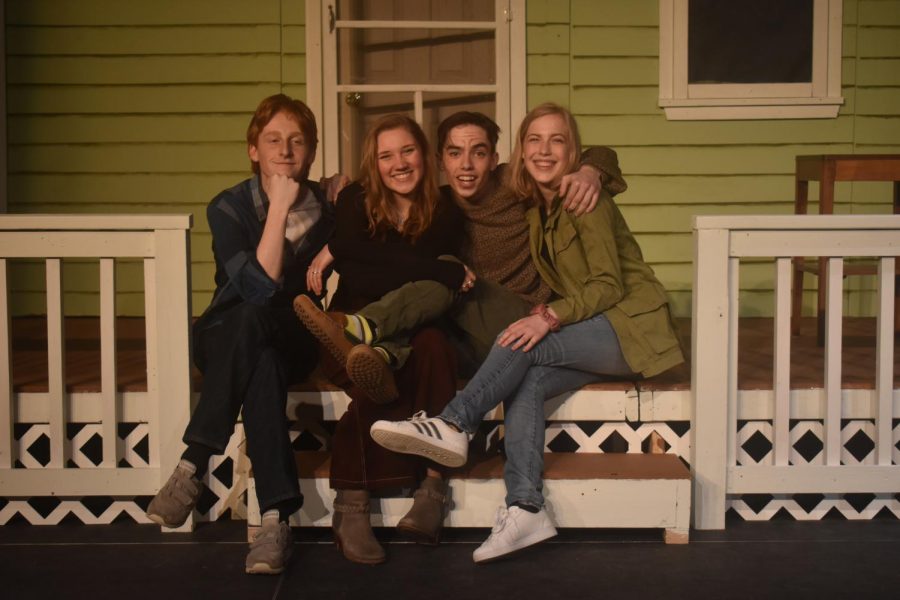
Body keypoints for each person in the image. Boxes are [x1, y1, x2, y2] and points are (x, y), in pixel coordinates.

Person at [369, 103, 685, 563]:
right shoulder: (538, 203)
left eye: (557, 140)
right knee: (528, 381)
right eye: (534, 140)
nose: (544, 150)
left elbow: (610, 285)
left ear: (573, 150)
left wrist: (548, 317)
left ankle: (455, 421)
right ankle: (526, 506)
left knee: (524, 339)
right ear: (518, 153)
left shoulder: (583, 197)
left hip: (630, 325)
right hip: (591, 326)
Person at [295, 111, 623, 401]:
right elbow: (400, 264)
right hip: (467, 327)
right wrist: (333, 201)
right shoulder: (441, 204)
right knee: (430, 335)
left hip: (524, 319)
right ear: (440, 161)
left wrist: (590, 170)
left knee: (446, 271)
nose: (466, 165)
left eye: (478, 153)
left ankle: (363, 330)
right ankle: (385, 356)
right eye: (455, 153)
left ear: (494, 159)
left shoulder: (517, 186)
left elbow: (588, 154)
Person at [145, 94, 335, 575]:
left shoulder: (327, 207)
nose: (286, 151)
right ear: (254, 150)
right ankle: (275, 522)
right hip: (223, 333)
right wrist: (278, 209)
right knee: (254, 331)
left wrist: (336, 215)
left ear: (312, 150)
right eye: (273, 140)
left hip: (293, 337)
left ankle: (192, 464)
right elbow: (257, 286)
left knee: (268, 351)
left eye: (297, 141)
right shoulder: (227, 207)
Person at [319, 114, 468, 564]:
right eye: (386, 156)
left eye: (407, 151)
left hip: (413, 327)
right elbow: (357, 265)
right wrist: (439, 269)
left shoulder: (443, 209)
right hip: (347, 326)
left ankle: (428, 491)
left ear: (424, 154)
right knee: (375, 368)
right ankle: (355, 503)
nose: (398, 163)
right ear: (373, 164)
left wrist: (372, 257)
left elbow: (372, 261)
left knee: (433, 349)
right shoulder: (353, 199)